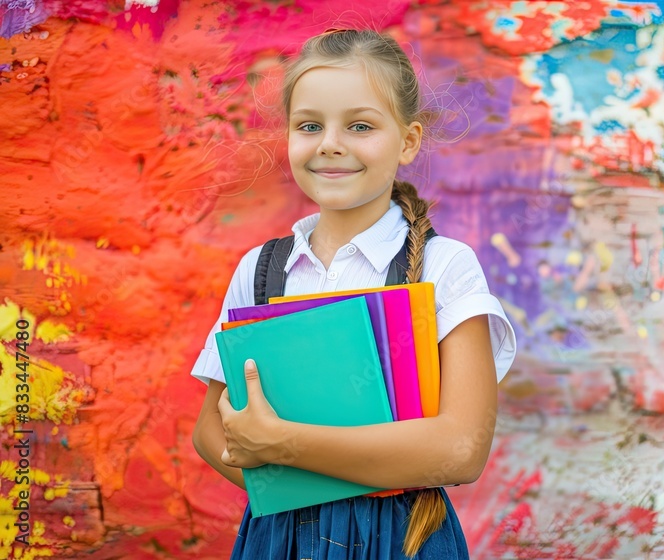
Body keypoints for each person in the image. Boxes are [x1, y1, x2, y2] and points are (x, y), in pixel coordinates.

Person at [189, 27, 517, 559]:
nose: (330, 143)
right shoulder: (260, 270)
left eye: (359, 125)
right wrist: (301, 483)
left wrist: (283, 447)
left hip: (403, 539)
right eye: (309, 125)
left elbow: (460, 449)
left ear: (408, 141)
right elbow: (211, 430)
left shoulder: (443, 266)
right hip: (281, 539)